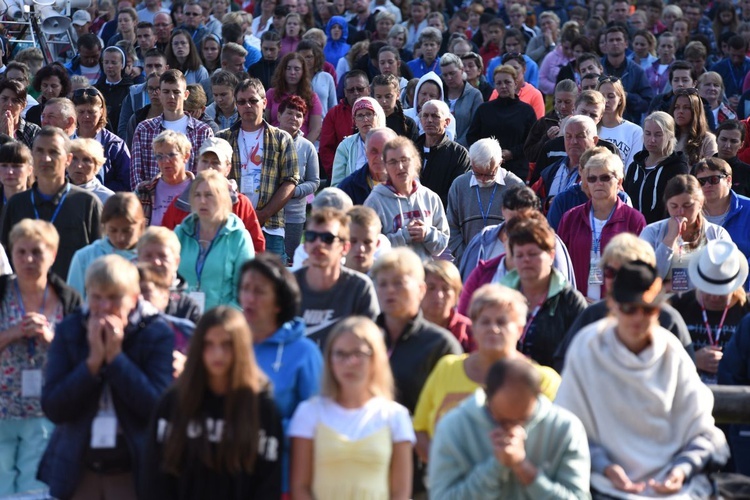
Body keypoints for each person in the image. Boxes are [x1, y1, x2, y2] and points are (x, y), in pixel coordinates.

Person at [556, 260, 729, 498]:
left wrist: (681, 469)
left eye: (648, 309)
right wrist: (604, 466)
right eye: (629, 308)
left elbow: (701, 429)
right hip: (600, 483)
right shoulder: (587, 347)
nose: (639, 317)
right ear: (614, 306)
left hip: (673, 484)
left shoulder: (672, 351)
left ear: (658, 311)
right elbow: (568, 425)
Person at [38, 255, 174, 499]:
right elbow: (53, 407)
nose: (103, 308)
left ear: (134, 298)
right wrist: (91, 365)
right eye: (97, 297)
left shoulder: (156, 333)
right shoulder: (71, 328)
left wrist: (116, 359)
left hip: (132, 469)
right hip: (79, 466)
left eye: (113, 298)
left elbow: (157, 409)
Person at [143, 306, 283, 499]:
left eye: (226, 344)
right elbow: (154, 477)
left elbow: (268, 485)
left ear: (241, 347)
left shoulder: (262, 409)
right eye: (209, 344)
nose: (217, 354)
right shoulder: (173, 403)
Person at [428, 357, 590, 498]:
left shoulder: (566, 428)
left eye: (523, 419)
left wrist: (526, 470)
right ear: (487, 397)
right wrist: (495, 467)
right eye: (502, 420)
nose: (512, 429)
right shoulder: (454, 426)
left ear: (538, 395)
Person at [289, 317, 414, 499]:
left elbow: (401, 492)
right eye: (340, 354)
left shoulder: (396, 416)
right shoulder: (308, 412)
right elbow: (300, 487)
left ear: (375, 358)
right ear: (329, 360)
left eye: (358, 353)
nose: (349, 362)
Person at [0, 220, 81, 496]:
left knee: (37, 491)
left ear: (54, 254)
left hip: (47, 412)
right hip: (2, 410)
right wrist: (10, 334)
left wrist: (51, 340)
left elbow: (82, 357)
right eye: (21, 252)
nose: (29, 259)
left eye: (37, 251)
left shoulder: (68, 299)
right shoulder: (1, 293)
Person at [238, 253, 322, 494]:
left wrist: (260, 428)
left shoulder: (305, 353)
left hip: (283, 480)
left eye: (259, 291)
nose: (249, 298)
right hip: (231, 478)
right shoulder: (230, 343)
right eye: (245, 289)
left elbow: (317, 421)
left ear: (280, 302)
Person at [1, 127, 102, 280]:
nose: (45, 158)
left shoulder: (87, 203)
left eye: (53, 152)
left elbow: (99, 258)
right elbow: (5, 258)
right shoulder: (17, 204)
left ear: (68, 159)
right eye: (39, 151)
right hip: (24, 299)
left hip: (73, 299)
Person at [217, 77, 300, 262]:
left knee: (271, 285)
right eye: (241, 101)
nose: (247, 105)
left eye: (253, 100)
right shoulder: (222, 139)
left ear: (264, 102)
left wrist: (263, 214)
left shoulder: (282, 138)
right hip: (230, 223)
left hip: (270, 226)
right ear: (236, 105)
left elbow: (290, 181)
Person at [493, 214, 586, 368]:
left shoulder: (570, 301)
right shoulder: (500, 295)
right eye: (519, 255)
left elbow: (582, 357)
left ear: (551, 255)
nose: (526, 260)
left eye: (533, 254)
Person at [557, 151, 647, 301]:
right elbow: (559, 267)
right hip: (577, 306)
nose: (598, 183)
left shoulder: (634, 220)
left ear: (619, 181)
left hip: (618, 308)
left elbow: (642, 269)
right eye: (592, 178)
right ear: (586, 183)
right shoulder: (571, 218)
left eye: (605, 177)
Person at [161, 137, 266, 253]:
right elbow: (164, 245)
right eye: (204, 161)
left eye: (216, 163)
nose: (209, 167)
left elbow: (257, 249)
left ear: (228, 168)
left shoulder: (241, 204)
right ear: (197, 164)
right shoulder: (180, 202)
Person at [294, 208, 379, 345]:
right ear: (305, 246)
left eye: (328, 238)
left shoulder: (360, 288)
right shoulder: (288, 286)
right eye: (311, 236)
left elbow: (370, 345)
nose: (318, 244)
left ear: (345, 248)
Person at [174, 170, 255, 312]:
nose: (202, 201)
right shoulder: (180, 233)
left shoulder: (239, 237)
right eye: (197, 195)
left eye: (209, 195)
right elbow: (168, 280)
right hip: (181, 323)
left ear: (223, 198)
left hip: (223, 325)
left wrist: (221, 324)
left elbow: (245, 292)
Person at [670, 240, 749, 384]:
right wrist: (692, 359)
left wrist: (731, 364)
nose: (714, 297)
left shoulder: (747, 311)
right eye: (708, 289)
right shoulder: (677, 307)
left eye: (721, 292)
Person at [640, 174, 732, 292]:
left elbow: (725, 276)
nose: (680, 212)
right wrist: (669, 239)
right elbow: (645, 279)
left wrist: (679, 286)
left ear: (700, 204)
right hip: (663, 304)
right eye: (674, 206)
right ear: (667, 206)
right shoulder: (651, 231)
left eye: (687, 206)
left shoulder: (717, 234)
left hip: (701, 304)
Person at [364, 136, 449, 260]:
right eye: (393, 162)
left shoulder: (430, 198)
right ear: (385, 166)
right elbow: (370, 246)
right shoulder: (375, 202)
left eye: (404, 160)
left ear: (415, 161)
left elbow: (442, 244)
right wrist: (403, 236)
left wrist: (427, 234)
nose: (400, 167)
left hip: (424, 273)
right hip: (392, 275)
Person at [448, 137, 525, 267]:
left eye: (489, 174)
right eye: (477, 173)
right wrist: (468, 257)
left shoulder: (516, 186)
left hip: (505, 267)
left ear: (500, 162)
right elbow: (451, 228)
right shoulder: (459, 185)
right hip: (467, 265)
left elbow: (524, 229)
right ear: (471, 163)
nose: (483, 179)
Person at [67, 193, 145, 297]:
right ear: (104, 226)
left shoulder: (151, 258)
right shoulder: (84, 257)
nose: (120, 237)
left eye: (127, 231)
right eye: (113, 230)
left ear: (142, 226)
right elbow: (73, 305)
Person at [467, 65, 536, 180]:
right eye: (498, 83)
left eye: (507, 82)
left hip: (516, 170)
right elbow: (472, 136)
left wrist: (512, 153)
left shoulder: (526, 111)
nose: (503, 86)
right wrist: (487, 153)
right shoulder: (484, 110)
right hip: (487, 169)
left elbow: (532, 141)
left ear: (515, 82)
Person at [624, 111, 690, 224]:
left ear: (670, 136)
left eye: (658, 135)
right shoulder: (635, 166)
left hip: (662, 231)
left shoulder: (677, 168)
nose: (652, 139)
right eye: (648, 133)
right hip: (633, 231)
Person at [278, 96, 320, 260]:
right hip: (267, 213)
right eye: (289, 113)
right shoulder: (267, 141)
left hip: (294, 215)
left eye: (299, 115)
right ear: (279, 115)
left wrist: (293, 191)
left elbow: (314, 181)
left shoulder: (307, 147)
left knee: (290, 260)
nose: (293, 118)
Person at [693, 157, 750, 269]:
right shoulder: (689, 210)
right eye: (701, 181)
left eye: (714, 179)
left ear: (729, 181)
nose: (707, 185)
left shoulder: (748, 209)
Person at [72, 86, 132, 192]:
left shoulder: (115, 145)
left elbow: (127, 183)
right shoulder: (66, 142)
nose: (86, 116)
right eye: (81, 112)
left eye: (91, 112)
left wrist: (96, 188)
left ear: (101, 111)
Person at [137, 227, 202, 324]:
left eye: (162, 255)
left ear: (176, 262)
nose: (156, 262)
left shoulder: (188, 307)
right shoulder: (128, 298)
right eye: (148, 256)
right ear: (138, 259)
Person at [416, 99, 471, 208]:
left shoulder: (458, 154)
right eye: (425, 116)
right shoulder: (410, 149)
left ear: (447, 122)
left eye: (435, 116)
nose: (429, 120)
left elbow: (457, 191)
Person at [135, 129, 195, 227]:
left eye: (171, 155)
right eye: (159, 156)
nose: (165, 161)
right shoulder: (144, 191)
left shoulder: (198, 190)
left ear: (186, 156)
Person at [600, 25, 655, 123]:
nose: (615, 43)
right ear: (605, 45)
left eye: (618, 39)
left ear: (626, 44)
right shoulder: (597, 69)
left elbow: (647, 103)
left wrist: (626, 96)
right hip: (600, 123)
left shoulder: (637, 71)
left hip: (629, 124)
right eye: (611, 40)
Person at [265, 53, 323, 143]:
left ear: (303, 72)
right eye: (288, 68)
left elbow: (315, 129)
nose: (292, 72)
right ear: (283, 71)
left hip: (300, 144)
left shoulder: (312, 97)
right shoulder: (271, 94)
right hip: (274, 143)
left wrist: (302, 147)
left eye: (297, 69)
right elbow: (264, 122)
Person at [331, 97, 387, 186]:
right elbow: (337, 184)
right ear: (355, 121)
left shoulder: (390, 142)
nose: (365, 119)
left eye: (369, 114)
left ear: (378, 116)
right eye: (360, 115)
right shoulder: (345, 146)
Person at [420, 260, 474, 352]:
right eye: (431, 288)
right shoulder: (405, 329)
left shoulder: (468, 330)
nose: (438, 295)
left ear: (456, 295)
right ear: (419, 291)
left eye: (446, 289)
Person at [523, 79, 578, 165]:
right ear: (554, 100)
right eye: (559, 101)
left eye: (567, 102)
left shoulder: (582, 122)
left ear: (576, 101)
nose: (563, 106)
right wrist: (546, 139)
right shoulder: (544, 122)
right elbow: (529, 155)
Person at [596, 76, 643, 174]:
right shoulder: (590, 128)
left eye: (611, 96)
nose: (606, 100)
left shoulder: (635, 131)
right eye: (602, 96)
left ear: (620, 99)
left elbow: (631, 169)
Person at [439, 53, 483, 147]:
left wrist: (456, 146)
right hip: (439, 148)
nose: (449, 78)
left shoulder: (475, 95)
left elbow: (474, 126)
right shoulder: (439, 94)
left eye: (452, 73)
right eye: (445, 75)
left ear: (462, 70)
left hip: (466, 149)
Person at [671, 88, 718, 165]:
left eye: (686, 107)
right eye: (677, 107)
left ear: (696, 111)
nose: (680, 111)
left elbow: (711, 169)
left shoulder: (708, 139)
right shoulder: (667, 137)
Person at [94, 46, 135, 133]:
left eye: (114, 62)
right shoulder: (96, 89)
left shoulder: (130, 90)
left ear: (122, 65)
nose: (109, 66)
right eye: (106, 62)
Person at [372, 73, 418, 142]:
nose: (384, 101)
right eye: (379, 97)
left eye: (388, 96)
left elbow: (414, 151)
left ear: (398, 95)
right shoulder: (370, 122)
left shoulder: (408, 124)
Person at [66, 138, 115, 204]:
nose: (79, 166)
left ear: (97, 166)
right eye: (74, 159)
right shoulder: (52, 191)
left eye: (86, 160)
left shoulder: (107, 198)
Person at [0, 79, 40, 149]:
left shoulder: (33, 131)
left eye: (15, 101)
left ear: (23, 105)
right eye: (4, 99)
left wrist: (9, 139)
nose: (9, 104)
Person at [715, 120, 750, 197]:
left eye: (733, 141)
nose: (727, 145)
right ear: (716, 139)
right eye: (723, 139)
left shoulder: (747, 173)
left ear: (741, 144)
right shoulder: (701, 168)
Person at [0, 141, 33, 216]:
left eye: (16, 166)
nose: (10, 172)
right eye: (4, 166)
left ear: (29, 170)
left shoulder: (39, 203)